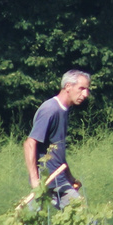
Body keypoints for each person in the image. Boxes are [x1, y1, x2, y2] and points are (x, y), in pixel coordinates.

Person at [25, 69, 89, 209]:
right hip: (47, 179)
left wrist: (69, 177)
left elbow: (56, 150)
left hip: (58, 177)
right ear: (68, 87)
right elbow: (29, 144)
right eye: (81, 89)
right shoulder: (50, 109)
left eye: (87, 89)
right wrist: (35, 180)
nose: (85, 94)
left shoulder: (64, 110)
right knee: (86, 220)